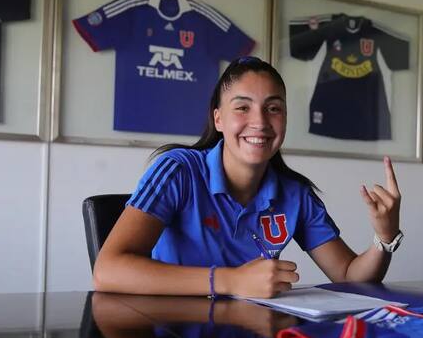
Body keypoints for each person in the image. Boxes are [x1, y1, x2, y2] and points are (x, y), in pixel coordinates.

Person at [94, 56, 403, 298]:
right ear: (218, 118)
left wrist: (384, 238)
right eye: (242, 107)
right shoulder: (178, 170)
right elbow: (108, 270)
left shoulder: (295, 194)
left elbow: (349, 276)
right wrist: (230, 280)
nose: (259, 121)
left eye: (273, 108)